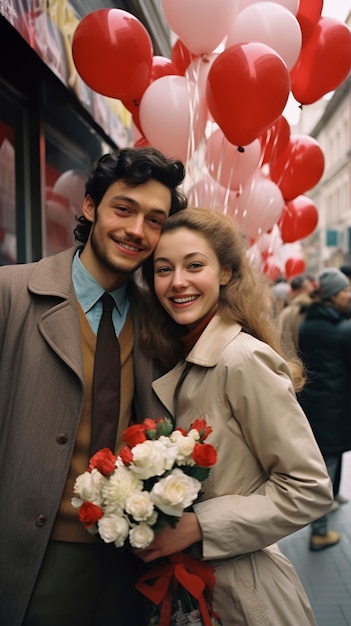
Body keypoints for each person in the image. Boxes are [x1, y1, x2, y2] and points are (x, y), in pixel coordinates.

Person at [0, 146, 187, 626]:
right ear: (89, 207)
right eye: (123, 209)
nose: (136, 231)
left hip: (128, 560)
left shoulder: (160, 322)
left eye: (154, 220)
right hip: (28, 554)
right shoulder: (11, 294)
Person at [137, 207, 333, 626]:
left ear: (226, 273)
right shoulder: (185, 353)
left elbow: (310, 489)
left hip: (248, 597)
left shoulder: (241, 358)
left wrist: (198, 526)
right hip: (201, 590)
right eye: (163, 269)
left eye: (194, 265)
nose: (178, 282)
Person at [298, 267, 351, 550]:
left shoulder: (307, 323)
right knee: (328, 467)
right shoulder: (344, 329)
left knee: (326, 460)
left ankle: (328, 505)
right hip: (336, 408)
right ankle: (319, 532)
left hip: (314, 406)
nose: (349, 295)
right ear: (332, 296)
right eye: (345, 291)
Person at [277, 273, 314, 359]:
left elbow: (284, 341)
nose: (312, 288)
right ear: (304, 288)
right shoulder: (307, 309)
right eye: (309, 285)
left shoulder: (286, 311)